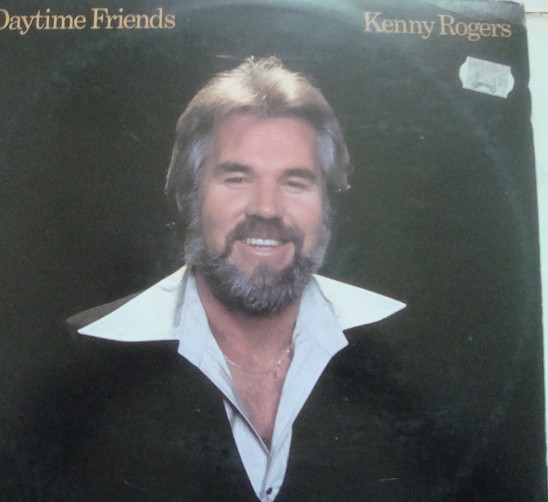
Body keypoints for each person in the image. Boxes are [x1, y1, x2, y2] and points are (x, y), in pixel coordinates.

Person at [64, 57, 428, 502]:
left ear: (326, 204)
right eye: (237, 178)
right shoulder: (81, 361)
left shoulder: (407, 356)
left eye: (295, 182)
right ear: (190, 196)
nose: (266, 209)